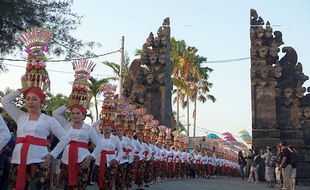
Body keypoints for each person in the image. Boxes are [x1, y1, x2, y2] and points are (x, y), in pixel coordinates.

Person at [1, 87, 70, 189]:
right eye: (27, 99)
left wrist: (51, 155)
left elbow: (65, 138)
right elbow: (4, 101)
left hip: (38, 162)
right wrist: (23, 89)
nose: (30, 102)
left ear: (41, 102)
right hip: (17, 162)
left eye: (34, 99)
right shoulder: (20, 117)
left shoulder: (49, 120)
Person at [52, 104, 102, 189]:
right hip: (66, 160)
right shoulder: (67, 125)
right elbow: (55, 114)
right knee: (67, 186)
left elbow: (100, 144)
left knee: (80, 186)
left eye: (78, 113)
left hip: (82, 161)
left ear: (83, 115)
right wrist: (69, 104)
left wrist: (91, 157)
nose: (75, 115)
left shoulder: (88, 128)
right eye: (73, 113)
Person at [95, 120, 123, 190]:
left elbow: (120, 151)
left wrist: (116, 159)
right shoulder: (98, 136)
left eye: (108, 126)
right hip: (99, 162)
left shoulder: (115, 138)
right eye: (105, 125)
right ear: (102, 127)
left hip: (110, 163)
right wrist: (100, 120)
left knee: (108, 183)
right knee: (100, 181)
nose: (106, 127)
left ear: (111, 128)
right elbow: (91, 128)